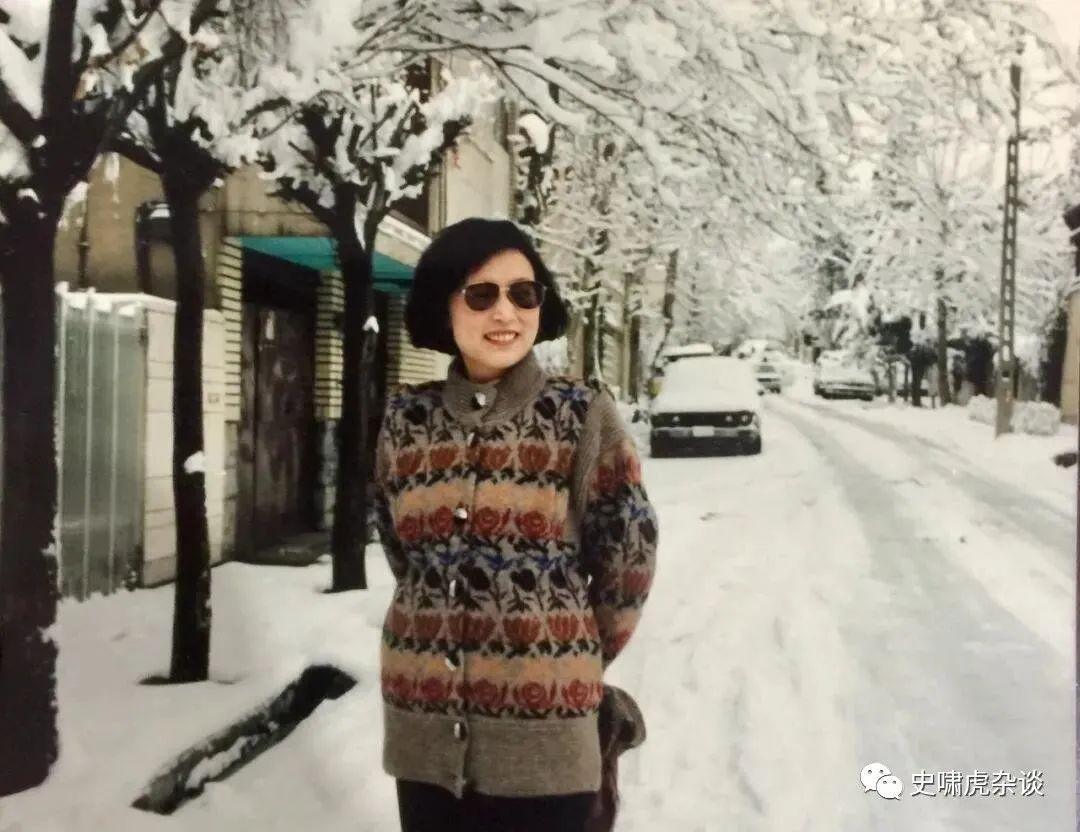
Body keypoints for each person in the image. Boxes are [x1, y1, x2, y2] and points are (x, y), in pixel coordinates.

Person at [373, 217, 658, 832]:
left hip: (547, 739)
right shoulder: (405, 419)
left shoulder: (580, 414)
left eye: (523, 294)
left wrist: (567, 657)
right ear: (443, 304)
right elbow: (407, 554)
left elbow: (629, 555)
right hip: (422, 730)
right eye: (481, 294)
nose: (505, 312)